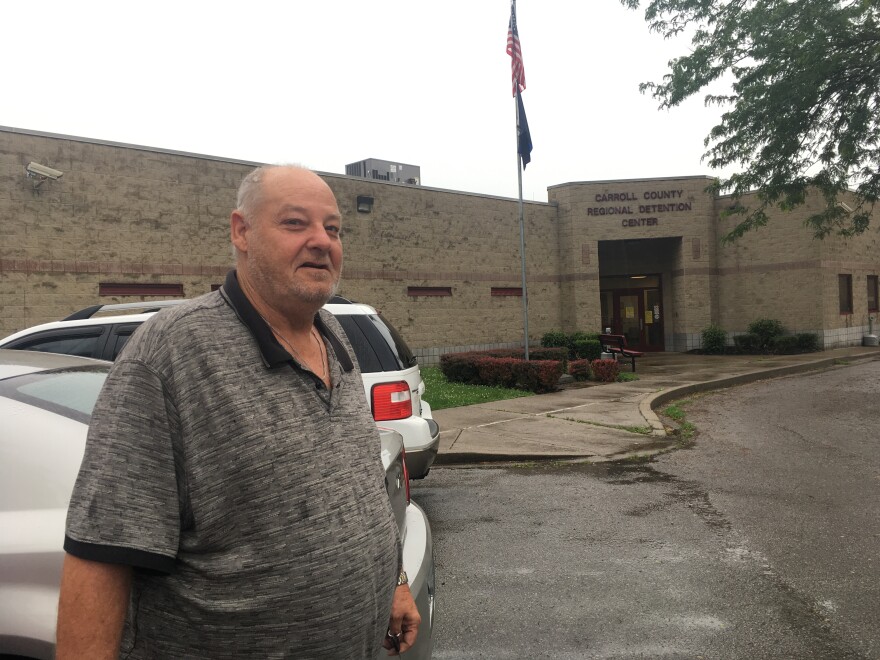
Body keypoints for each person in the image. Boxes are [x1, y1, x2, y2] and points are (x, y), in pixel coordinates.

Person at [56, 165, 421, 658]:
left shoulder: (334, 337)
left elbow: (359, 489)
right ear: (241, 231)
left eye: (333, 229)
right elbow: (101, 555)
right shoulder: (172, 352)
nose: (322, 241)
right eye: (296, 223)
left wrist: (394, 582)